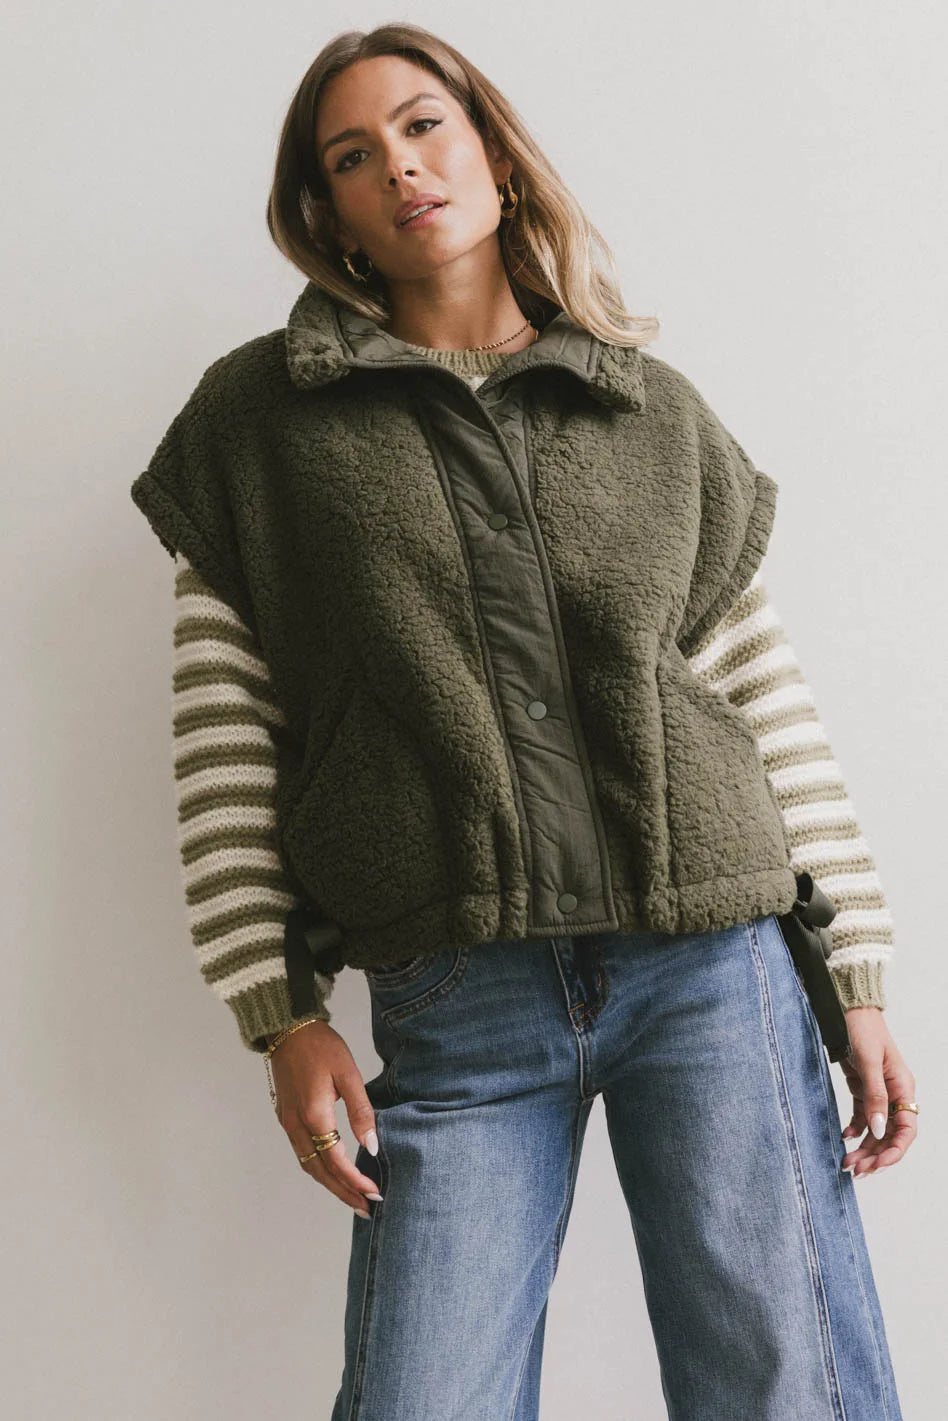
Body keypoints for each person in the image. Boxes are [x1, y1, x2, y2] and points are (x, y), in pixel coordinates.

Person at [131, 22, 914, 1419]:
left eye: (424, 126)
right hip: (458, 993)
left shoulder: (649, 411)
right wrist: (279, 1011)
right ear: (329, 213)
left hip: (711, 967)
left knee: (782, 1390)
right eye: (353, 156)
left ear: (493, 154)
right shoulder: (259, 423)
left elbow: (763, 694)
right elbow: (225, 733)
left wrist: (853, 973)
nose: (400, 168)